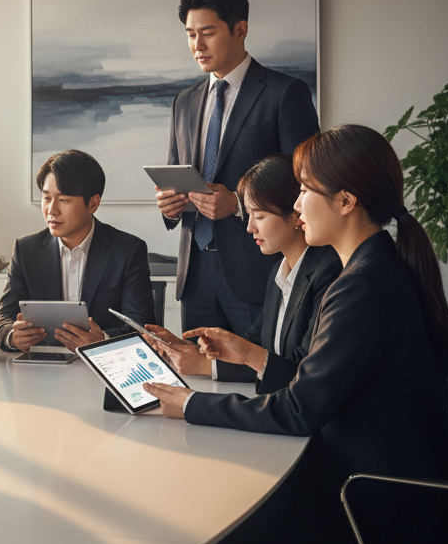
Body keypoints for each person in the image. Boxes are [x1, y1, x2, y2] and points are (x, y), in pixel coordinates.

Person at [144, 125, 448, 544]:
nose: (295, 205)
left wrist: (190, 405)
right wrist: (241, 366)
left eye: (303, 190)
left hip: (386, 514)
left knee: (212, 528)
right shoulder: (374, 267)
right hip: (396, 497)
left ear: (344, 202)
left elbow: (298, 409)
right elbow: (316, 388)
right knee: (234, 509)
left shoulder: (362, 283)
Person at [156, 0, 319, 338]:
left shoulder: (284, 94)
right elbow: (175, 172)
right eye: (190, 34)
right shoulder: (183, 102)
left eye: (208, 32)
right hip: (195, 274)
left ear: (240, 29)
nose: (197, 45)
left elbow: (305, 183)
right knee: (199, 376)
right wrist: (169, 205)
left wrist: (238, 205)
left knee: (259, 378)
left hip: (258, 271)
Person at [146, 153, 341, 387]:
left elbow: (301, 370)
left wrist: (204, 366)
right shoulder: (279, 271)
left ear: (296, 214)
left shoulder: (330, 273)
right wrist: (189, 349)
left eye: (259, 216)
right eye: (248, 215)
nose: (249, 228)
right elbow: (254, 345)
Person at [0, 149, 155, 353]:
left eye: (63, 200)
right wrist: (13, 336)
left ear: (93, 203)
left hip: (103, 369)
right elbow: (2, 319)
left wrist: (101, 340)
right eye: (46, 198)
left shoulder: (128, 250)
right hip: (41, 371)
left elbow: (142, 326)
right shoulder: (26, 250)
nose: (52, 210)